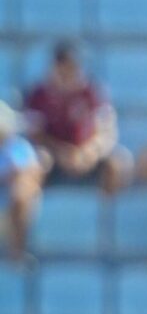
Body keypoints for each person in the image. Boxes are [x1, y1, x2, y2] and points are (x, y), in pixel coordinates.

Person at [22, 42, 130, 192]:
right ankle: (31, 211)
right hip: (53, 156)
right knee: (33, 164)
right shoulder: (38, 95)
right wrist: (61, 152)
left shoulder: (93, 93)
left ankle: (109, 212)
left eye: (72, 68)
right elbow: (34, 135)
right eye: (64, 68)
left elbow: (107, 131)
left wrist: (89, 151)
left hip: (88, 156)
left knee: (119, 162)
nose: (68, 73)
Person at [0, 102, 46, 262]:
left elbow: (30, 173)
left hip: (11, 205)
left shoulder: (18, 147)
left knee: (21, 194)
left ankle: (16, 252)